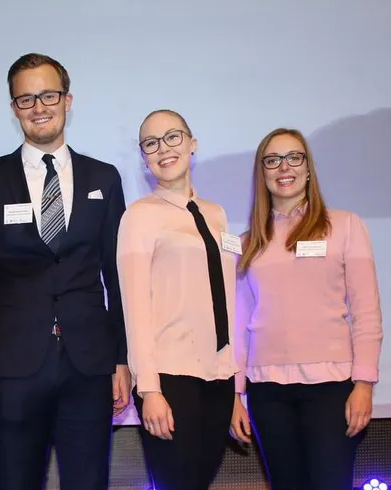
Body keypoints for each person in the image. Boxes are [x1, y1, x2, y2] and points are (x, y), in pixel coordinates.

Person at [0, 52, 129, 490]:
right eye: (26, 98)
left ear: (68, 100)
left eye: (48, 94)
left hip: (89, 364)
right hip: (12, 366)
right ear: (14, 108)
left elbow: (116, 275)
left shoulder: (104, 178)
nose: (39, 106)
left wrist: (122, 358)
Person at [228, 128, 383, 490]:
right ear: (262, 173)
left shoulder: (345, 226)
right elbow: (239, 324)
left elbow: (367, 311)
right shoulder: (249, 242)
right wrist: (236, 393)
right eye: (273, 160)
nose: (284, 167)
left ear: (308, 168)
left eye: (294, 157)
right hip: (267, 392)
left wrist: (364, 384)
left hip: (331, 389)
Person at [117, 109, 238, 490]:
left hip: (219, 376)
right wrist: (149, 389)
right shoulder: (138, 216)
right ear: (144, 156)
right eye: (150, 143)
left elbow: (228, 301)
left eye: (172, 137)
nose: (163, 149)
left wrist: (237, 386)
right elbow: (134, 309)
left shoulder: (216, 214)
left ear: (192, 143)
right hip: (170, 377)